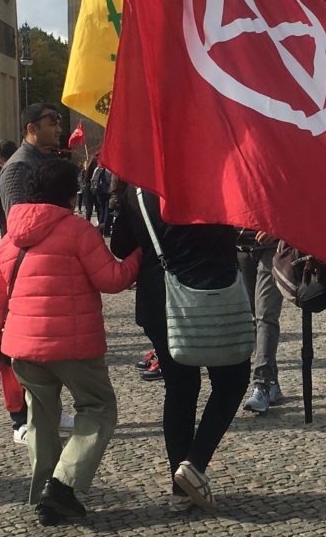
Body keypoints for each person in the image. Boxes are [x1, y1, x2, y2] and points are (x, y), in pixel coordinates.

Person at [0, 157, 140, 526]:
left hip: (22, 347)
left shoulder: (9, 238)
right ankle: (63, 487)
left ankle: (44, 494)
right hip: (73, 345)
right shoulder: (77, 230)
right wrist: (139, 256)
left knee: (40, 417)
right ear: (70, 194)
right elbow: (112, 279)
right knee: (98, 408)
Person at [110, 184, 250, 512]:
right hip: (214, 292)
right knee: (232, 381)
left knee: (180, 388)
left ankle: (180, 492)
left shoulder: (139, 189)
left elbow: (120, 244)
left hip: (162, 299)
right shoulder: (211, 180)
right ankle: (195, 463)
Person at [237, 228, 286, 414]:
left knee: (265, 315)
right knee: (254, 316)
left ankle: (262, 384)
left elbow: (299, 200)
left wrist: (277, 227)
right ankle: (272, 383)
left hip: (272, 246)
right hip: (240, 245)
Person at [0, 104, 61, 219]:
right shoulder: (18, 168)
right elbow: (21, 224)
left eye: (58, 124)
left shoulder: (50, 159)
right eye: (52, 125)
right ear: (32, 129)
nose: (59, 130)